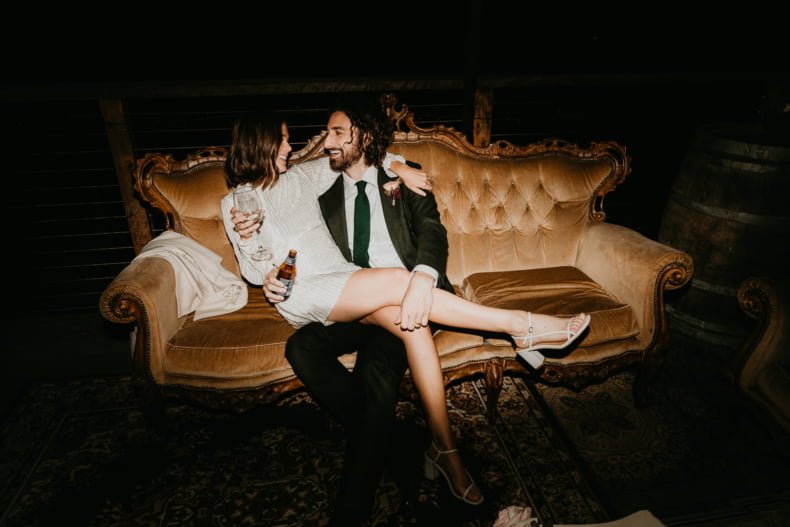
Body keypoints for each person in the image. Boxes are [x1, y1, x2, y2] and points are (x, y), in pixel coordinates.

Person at [221, 105, 591, 523]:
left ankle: (445, 451)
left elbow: (367, 159)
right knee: (400, 282)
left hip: (348, 281)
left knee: (413, 327)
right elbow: (255, 267)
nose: (294, 145)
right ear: (261, 142)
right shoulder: (233, 203)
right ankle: (519, 326)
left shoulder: (304, 178)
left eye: (292, 138)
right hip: (305, 290)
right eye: (284, 139)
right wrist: (259, 258)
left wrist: (400, 166)